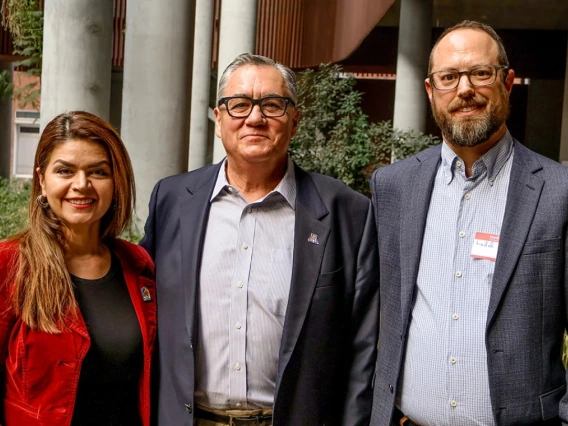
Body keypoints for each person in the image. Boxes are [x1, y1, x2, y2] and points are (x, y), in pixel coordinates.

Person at [141, 53, 379, 426]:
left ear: (295, 121)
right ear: (218, 120)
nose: (255, 118)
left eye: (272, 105)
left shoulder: (348, 212)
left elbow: (362, 348)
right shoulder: (171, 200)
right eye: (239, 105)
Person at [370, 20, 568, 426]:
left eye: (480, 73)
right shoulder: (393, 187)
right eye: (448, 77)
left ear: (508, 81)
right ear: (431, 91)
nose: (464, 90)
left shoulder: (558, 191)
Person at [0, 111, 157, 426]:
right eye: (65, 171)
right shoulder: (10, 265)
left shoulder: (137, 264)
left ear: (116, 182)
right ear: (42, 180)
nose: (81, 185)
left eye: (98, 172)